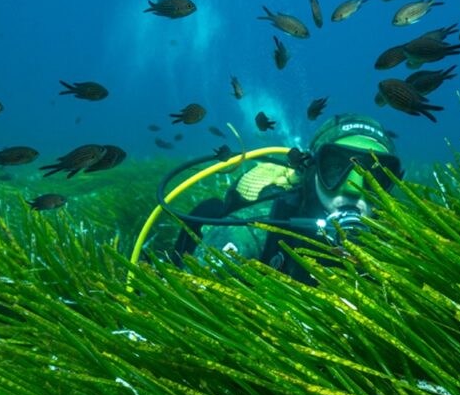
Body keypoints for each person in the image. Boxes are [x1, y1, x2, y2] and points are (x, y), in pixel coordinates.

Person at [171, 114, 402, 285]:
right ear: (312, 170)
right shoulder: (257, 228)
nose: (353, 189)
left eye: (374, 176)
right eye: (335, 168)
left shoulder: (398, 246)